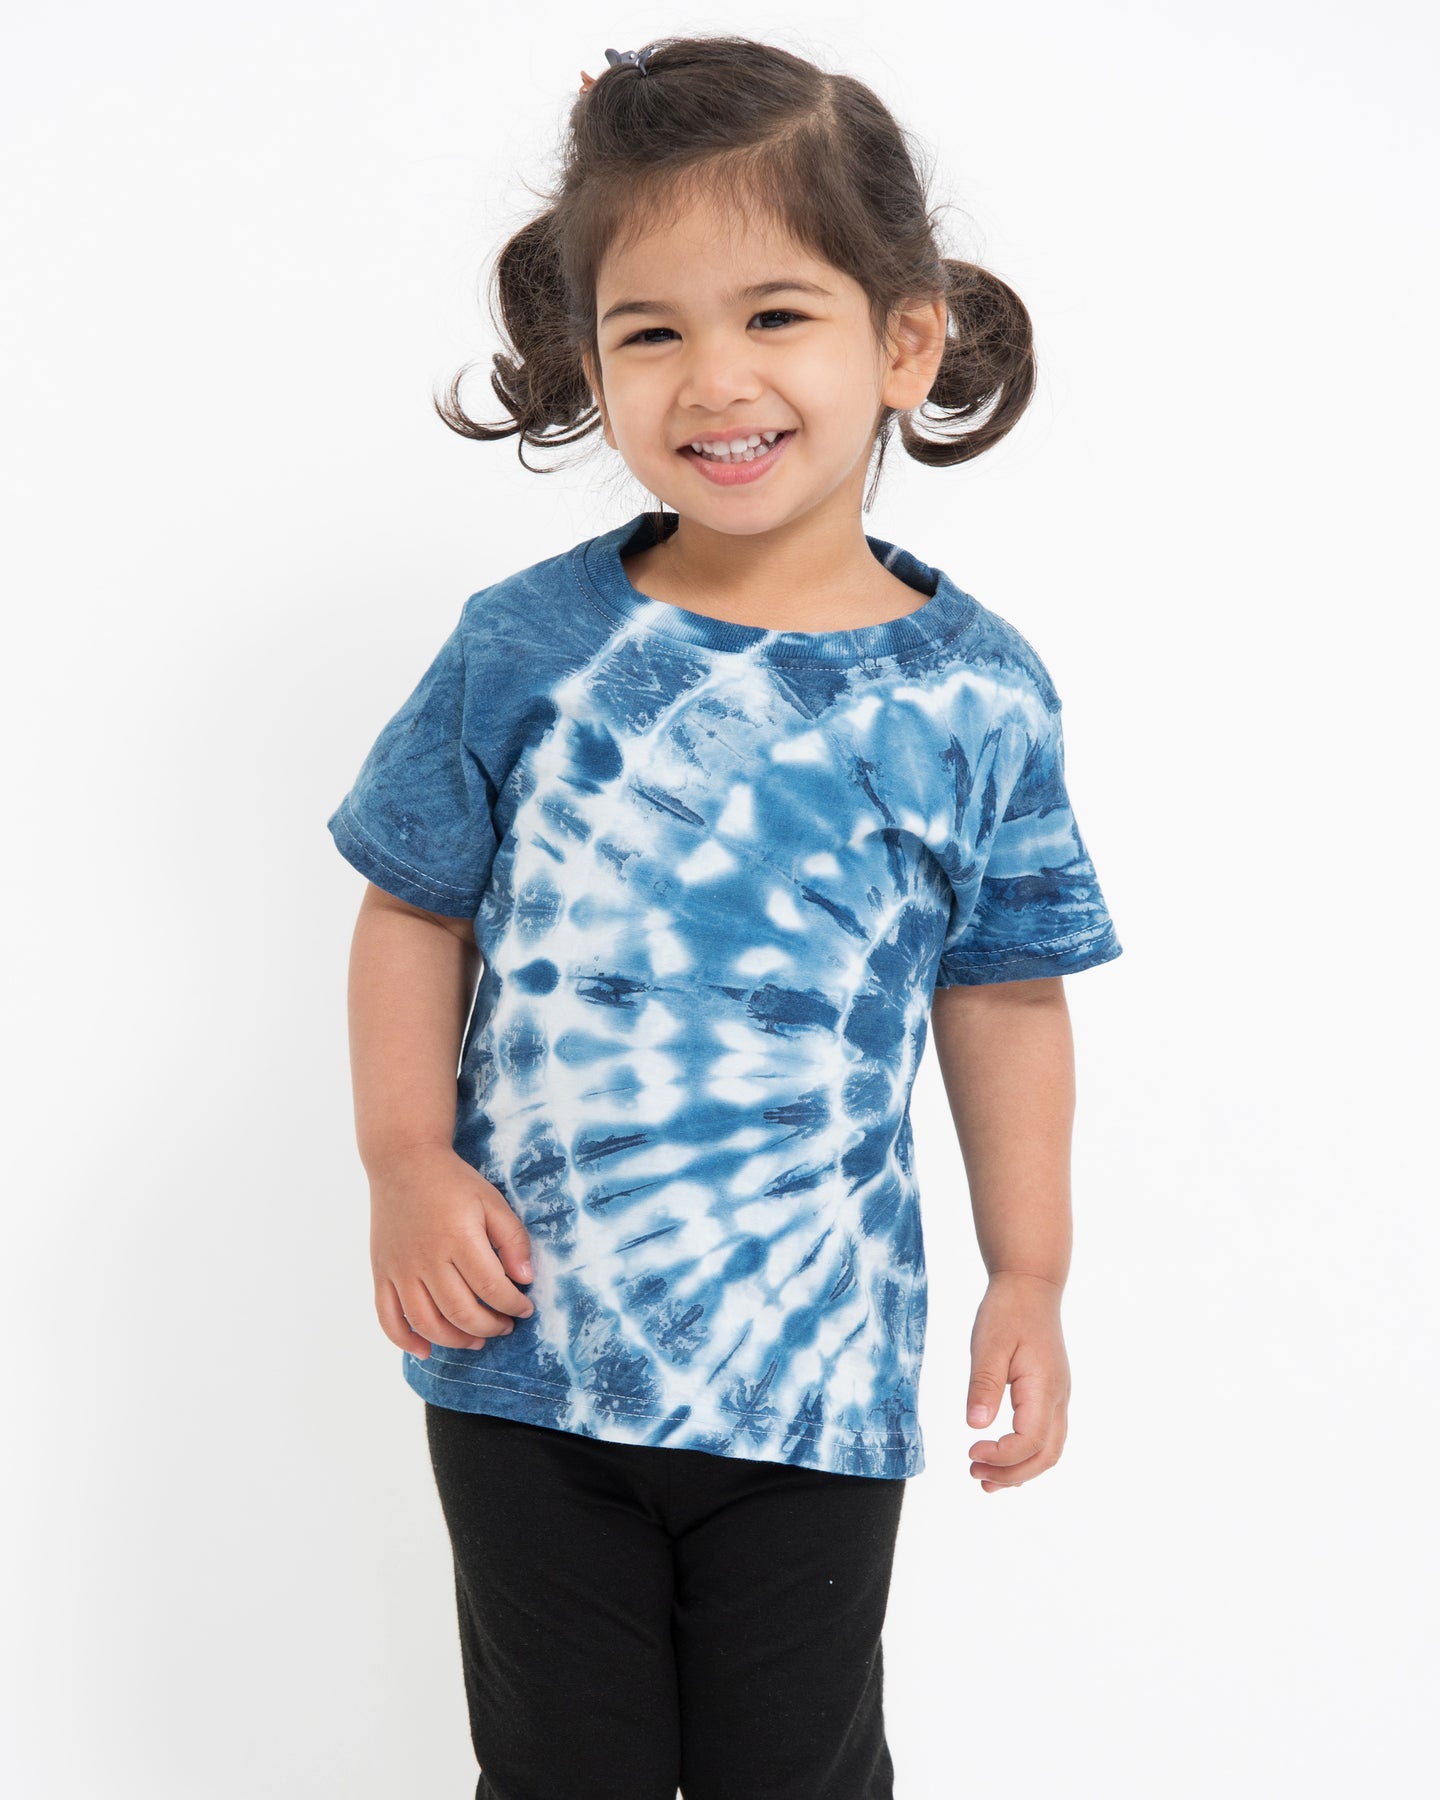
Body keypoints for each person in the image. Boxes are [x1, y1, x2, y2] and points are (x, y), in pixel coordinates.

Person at [326, 33, 1123, 1800]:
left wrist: (1033, 1273)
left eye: (774, 314)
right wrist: (403, 1157)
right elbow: (410, 909)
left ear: (903, 342)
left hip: (814, 1383)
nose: (714, 378)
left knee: (801, 1776)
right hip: (523, 1358)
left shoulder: (978, 695)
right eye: (651, 331)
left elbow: (1005, 996)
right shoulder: (527, 646)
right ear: (586, 358)